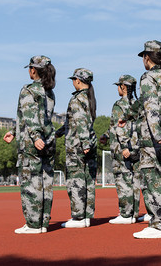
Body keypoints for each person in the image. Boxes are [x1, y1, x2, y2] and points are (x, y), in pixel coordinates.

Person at [3, 55, 56, 234]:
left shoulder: (29, 90)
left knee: (30, 182)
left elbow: (30, 117)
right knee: (45, 182)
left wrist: (34, 136)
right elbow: (41, 117)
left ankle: (33, 224)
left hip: (33, 143)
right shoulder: (49, 91)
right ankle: (42, 223)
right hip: (49, 140)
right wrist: (14, 131)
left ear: (33, 70)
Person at [131, 40, 161, 239]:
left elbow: (151, 107)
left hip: (153, 137)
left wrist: (156, 134)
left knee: (151, 179)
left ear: (146, 57)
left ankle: (157, 224)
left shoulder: (148, 77)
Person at [56, 68, 97, 228]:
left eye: (74, 80)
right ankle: (86, 215)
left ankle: (78, 217)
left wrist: (84, 143)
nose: (73, 83)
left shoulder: (77, 99)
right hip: (87, 143)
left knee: (75, 180)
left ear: (78, 81)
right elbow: (74, 122)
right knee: (88, 180)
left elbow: (80, 121)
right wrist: (58, 132)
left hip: (77, 145)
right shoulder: (89, 97)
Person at [100, 75, 140, 224]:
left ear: (124, 87)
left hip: (121, 149)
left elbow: (118, 127)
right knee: (134, 181)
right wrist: (105, 135)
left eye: (119, 85)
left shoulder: (119, 105)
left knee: (122, 180)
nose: (117, 88)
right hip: (135, 148)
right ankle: (134, 212)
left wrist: (124, 146)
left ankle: (125, 214)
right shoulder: (137, 105)